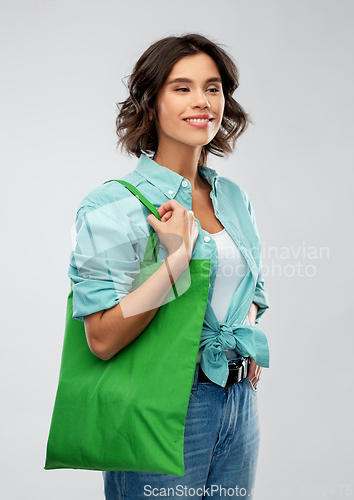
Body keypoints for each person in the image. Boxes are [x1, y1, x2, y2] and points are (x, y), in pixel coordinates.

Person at [69, 34, 270, 499]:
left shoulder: (234, 199)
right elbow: (100, 338)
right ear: (150, 102)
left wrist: (242, 334)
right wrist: (175, 261)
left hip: (237, 405)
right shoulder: (112, 205)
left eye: (213, 87)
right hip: (160, 403)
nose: (202, 101)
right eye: (182, 88)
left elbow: (254, 291)